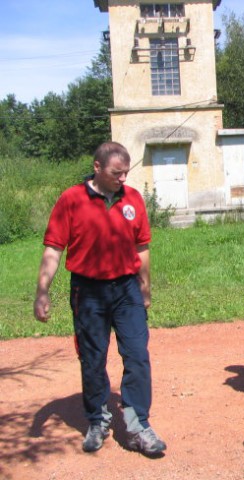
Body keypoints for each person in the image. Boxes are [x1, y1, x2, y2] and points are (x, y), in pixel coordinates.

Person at [33, 141, 167, 456]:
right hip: (88, 291)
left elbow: (142, 247)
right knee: (92, 359)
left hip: (126, 290)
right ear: (97, 167)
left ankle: (138, 425)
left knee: (137, 355)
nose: (123, 178)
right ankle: (97, 419)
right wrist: (42, 290)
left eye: (126, 172)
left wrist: (145, 287)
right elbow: (54, 249)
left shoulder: (133, 199)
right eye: (116, 173)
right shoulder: (71, 199)